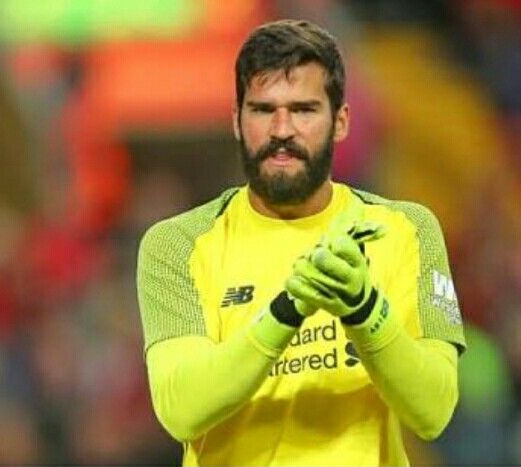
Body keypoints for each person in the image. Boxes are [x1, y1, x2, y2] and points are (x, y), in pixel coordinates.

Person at [136, 19, 466, 466]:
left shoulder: (407, 229)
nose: (282, 130)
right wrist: (286, 310)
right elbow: (182, 411)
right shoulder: (178, 244)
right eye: (262, 110)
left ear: (340, 121)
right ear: (236, 121)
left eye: (304, 110)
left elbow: (433, 411)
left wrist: (364, 308)